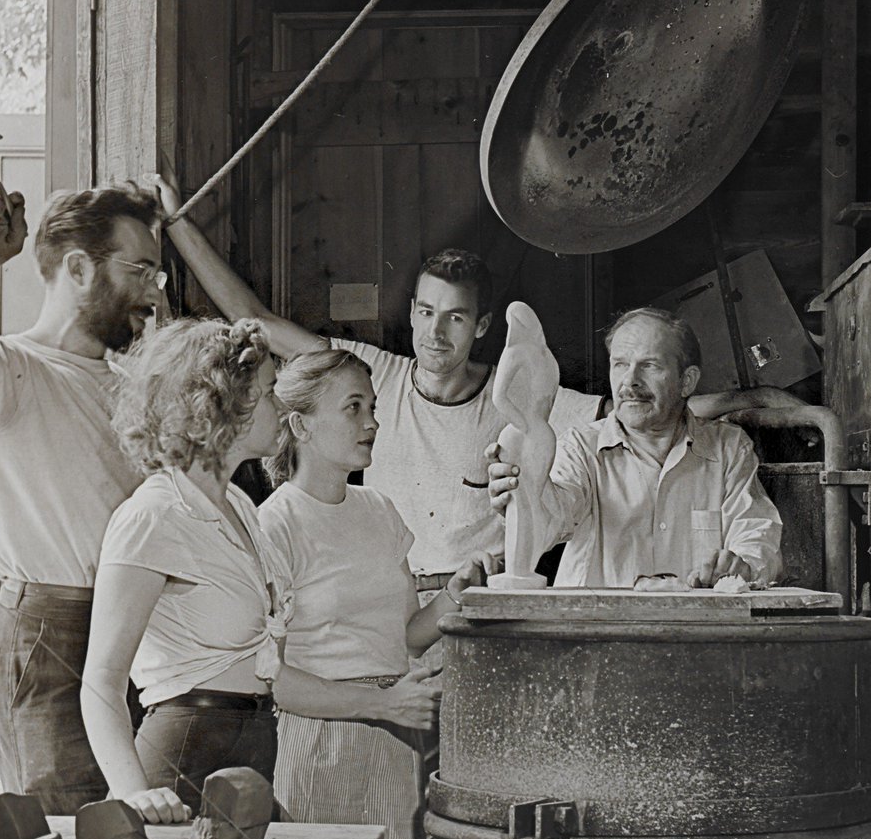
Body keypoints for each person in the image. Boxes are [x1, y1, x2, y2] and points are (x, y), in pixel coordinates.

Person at [155, 173, 795, 594]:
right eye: (426, 313)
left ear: (483, 326)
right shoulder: (372, 374)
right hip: (394, 594)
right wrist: (178, 225)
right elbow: (259, 324)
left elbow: (639, 407)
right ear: (410, 314)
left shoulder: (524, 398)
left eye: (456, 317)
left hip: (474, 596)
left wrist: (766, 400)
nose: (436, 334)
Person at [257, 347, 495, 839]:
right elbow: (272, 676)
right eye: (354, 408)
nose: (372, 423)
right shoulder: (273, 525)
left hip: (395, 727)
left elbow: (405, 637)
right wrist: (380, 704)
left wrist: (456, 591)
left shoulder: (379, 509)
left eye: (373, 408)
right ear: (301, 424)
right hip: (318, 735)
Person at [0, 181, 164, 814]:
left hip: (139, 633)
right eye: (139, 270)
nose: (155, 291)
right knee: (67, 836)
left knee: (137, 836)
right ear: (78, 267)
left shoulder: (134, 384)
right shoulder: (8, 369)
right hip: (50, 641)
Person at [80, 317, 291, 822]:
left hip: (252, 758)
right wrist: (134, 795)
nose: (280, 407)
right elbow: (101, 680)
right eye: (267, 393)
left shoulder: (240, 504)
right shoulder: (152, 516)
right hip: (178, 769)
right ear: (218, 406)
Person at [488, 307, 784, 588]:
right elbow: (555, 518)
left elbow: (756, 534)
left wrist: (741, 566)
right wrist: (523, 492)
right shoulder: (581, 447)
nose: (629, 381)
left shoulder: (728, 449)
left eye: (650, 365)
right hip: (595, 633)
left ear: (687, 381)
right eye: (620, 364)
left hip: (693, 632)